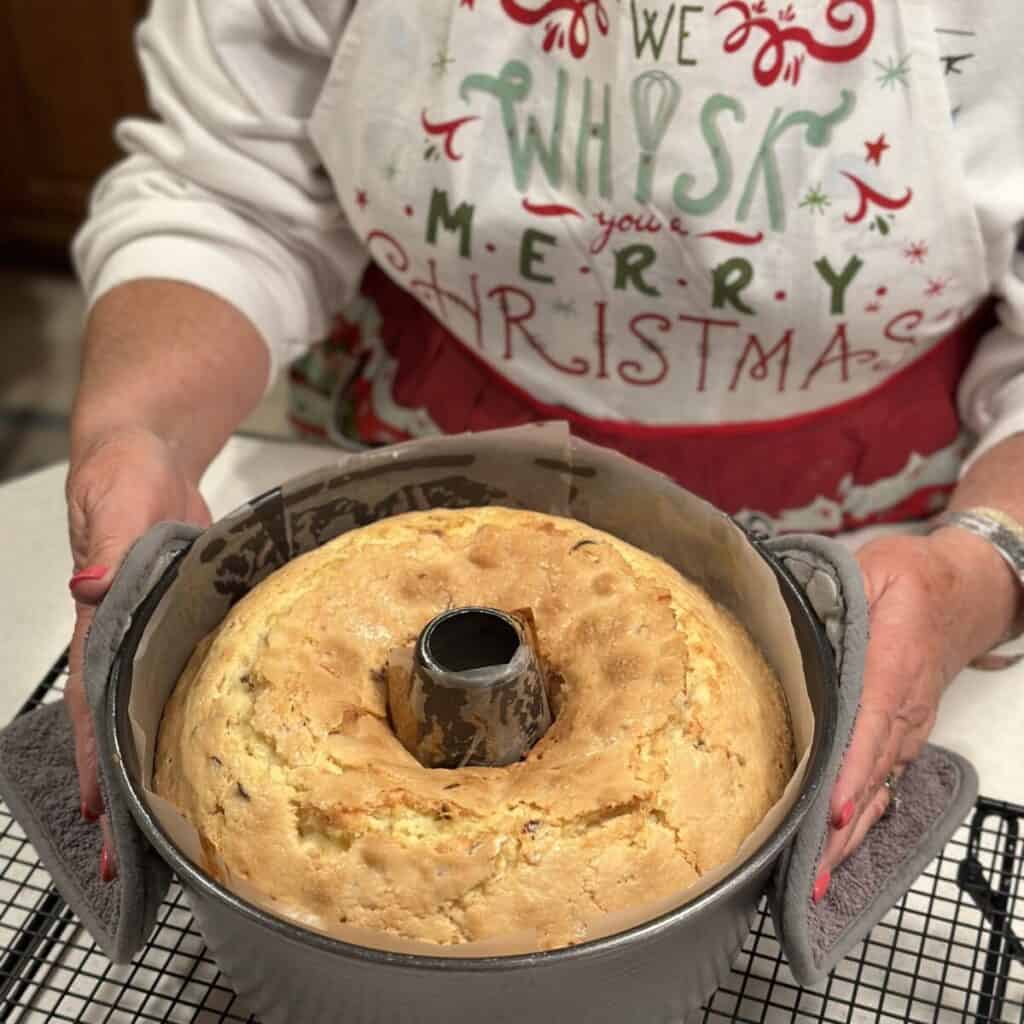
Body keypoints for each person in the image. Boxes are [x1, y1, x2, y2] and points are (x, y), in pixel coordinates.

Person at [67, 1, 1023, 902]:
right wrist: (143, 428)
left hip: (869, 557)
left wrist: (977, 567)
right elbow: (232, 194)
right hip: (403, 500)